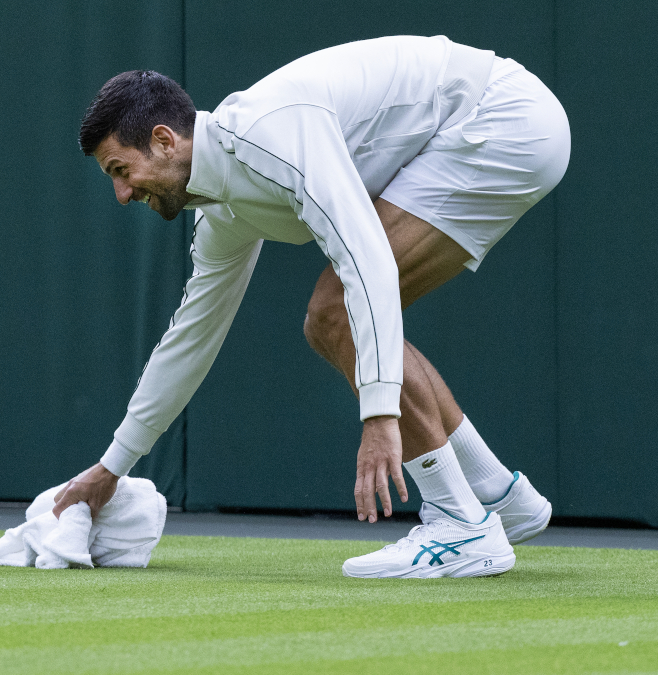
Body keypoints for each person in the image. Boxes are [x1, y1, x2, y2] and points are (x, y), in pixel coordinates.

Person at [54, 35, 570, 578]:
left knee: (333, 313)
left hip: (501, 118)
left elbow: (364, 257)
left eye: (119, 170)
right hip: (492, 127)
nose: (122, 194)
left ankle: (460, 525)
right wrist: (112, 468)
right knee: (334, 316)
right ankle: (497, 497)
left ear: (163, 140)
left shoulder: (269, 133)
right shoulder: (221, 212)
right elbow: (190, 340)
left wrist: (379, 414)